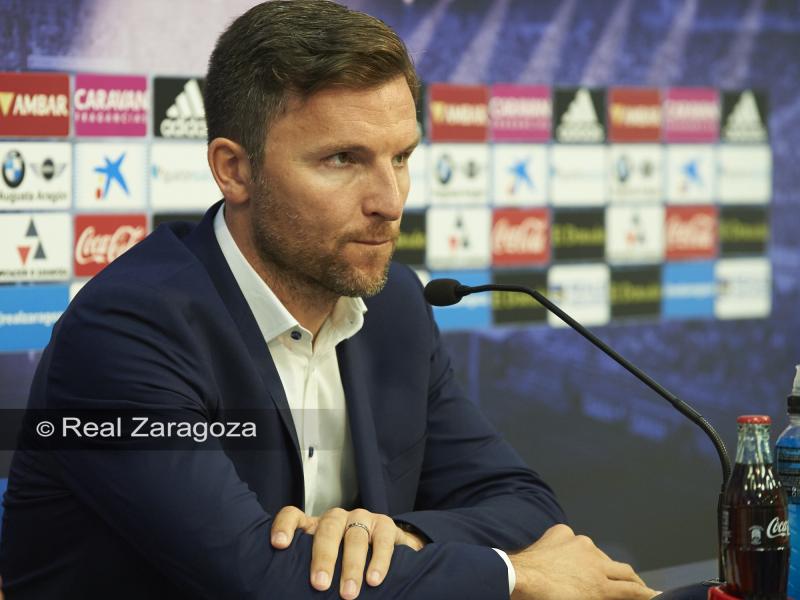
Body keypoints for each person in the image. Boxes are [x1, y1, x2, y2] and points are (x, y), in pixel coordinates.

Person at [0, 1, 698, 598]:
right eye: (343, 160)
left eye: (400, 157)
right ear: (233, 169)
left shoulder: (393, 303)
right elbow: (255, 579)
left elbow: (522, 502)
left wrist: (389, 533)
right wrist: (509, 578)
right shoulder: (128, 330)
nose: (390, 203)